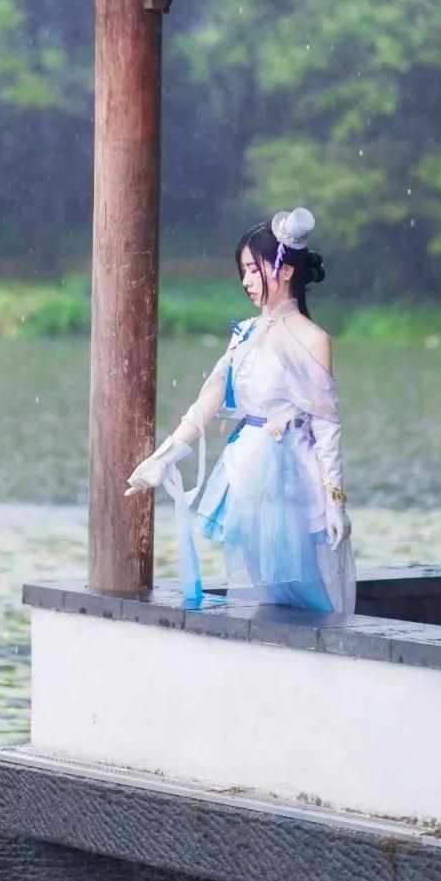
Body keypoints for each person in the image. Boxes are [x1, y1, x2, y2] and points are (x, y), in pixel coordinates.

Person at [125, 207, 355, 613]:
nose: (246, 281)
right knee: (255, 586)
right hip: (246, 465)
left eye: (253, 270)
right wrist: (166, 455)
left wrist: (336, 501)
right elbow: (209, 399)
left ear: (285, 271)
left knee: (298, 588)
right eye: (243, 271)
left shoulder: (313, 339)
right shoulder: (244, 332)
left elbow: (325, 427)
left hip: (289, 474)